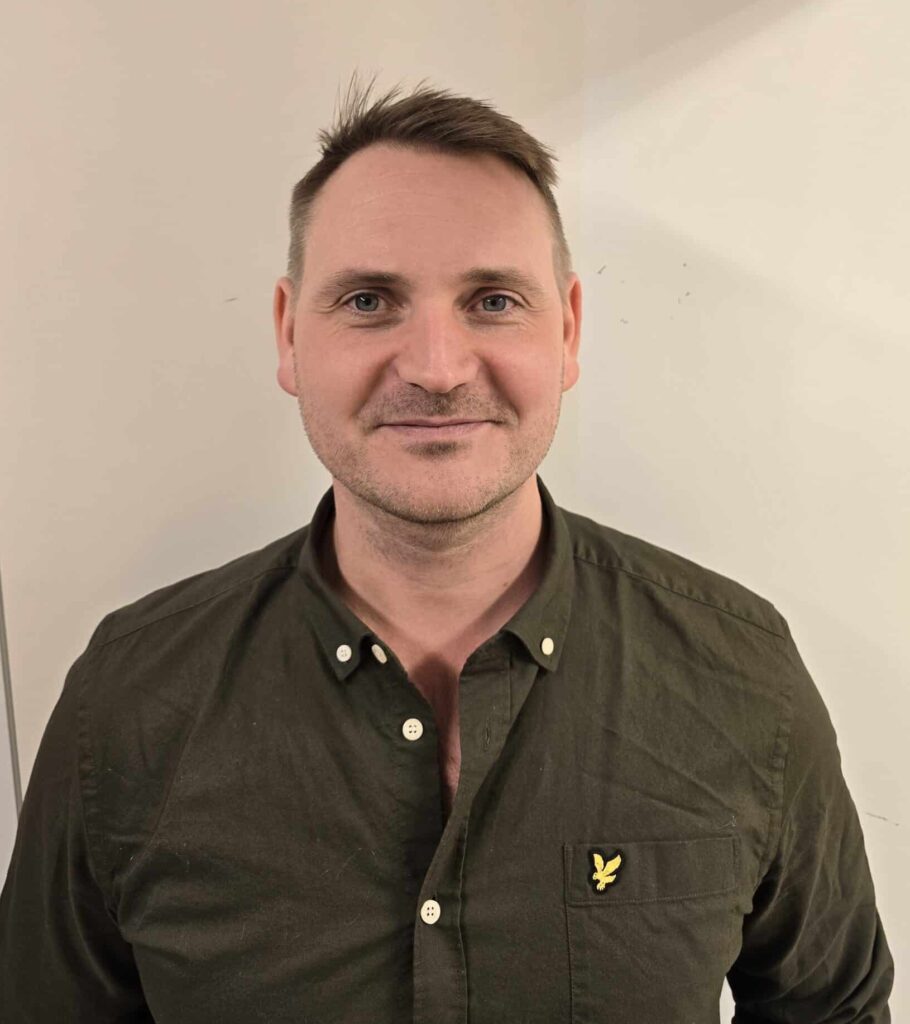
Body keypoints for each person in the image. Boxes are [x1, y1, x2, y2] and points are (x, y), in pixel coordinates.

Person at [0, 73, 893, 1023]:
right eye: (370, 300)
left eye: (495, 300)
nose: (434, 367)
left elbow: (832, 1010)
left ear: (570, 331)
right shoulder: (128, 700)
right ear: (288, 334)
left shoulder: (740, 675)